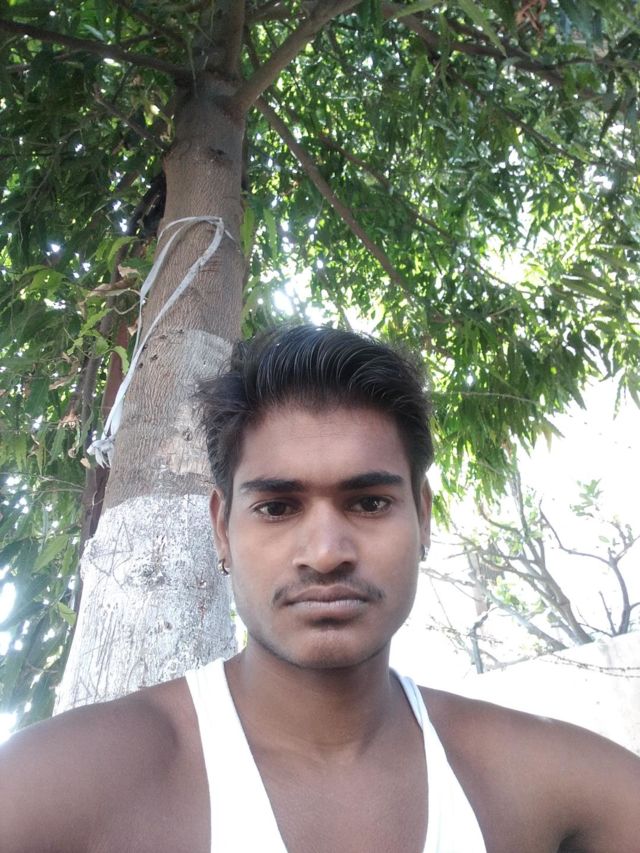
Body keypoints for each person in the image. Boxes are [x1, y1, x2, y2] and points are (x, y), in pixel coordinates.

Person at [1, 324, 639, 853]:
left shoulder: (549, 783)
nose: (327, 553)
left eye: (369, 502)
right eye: (278, 508)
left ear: (422, 517)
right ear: (222, 529)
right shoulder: (60, 784)